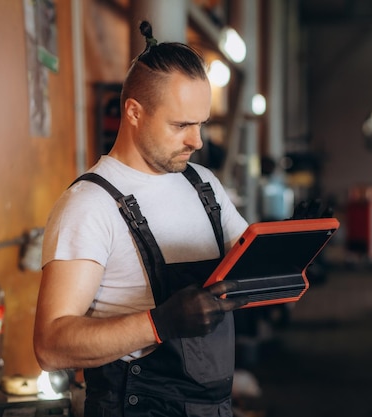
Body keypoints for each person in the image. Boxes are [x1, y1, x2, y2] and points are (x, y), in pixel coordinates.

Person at [33, 20, 250, 417]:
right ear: (133, 112)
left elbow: (247, 266)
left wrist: (295, 241)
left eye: (200, 124)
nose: (197, 141)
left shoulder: (203, 184)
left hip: (212, 407)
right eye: (181, 125)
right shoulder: (89, 205)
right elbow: (50, 345)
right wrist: (158, 324)